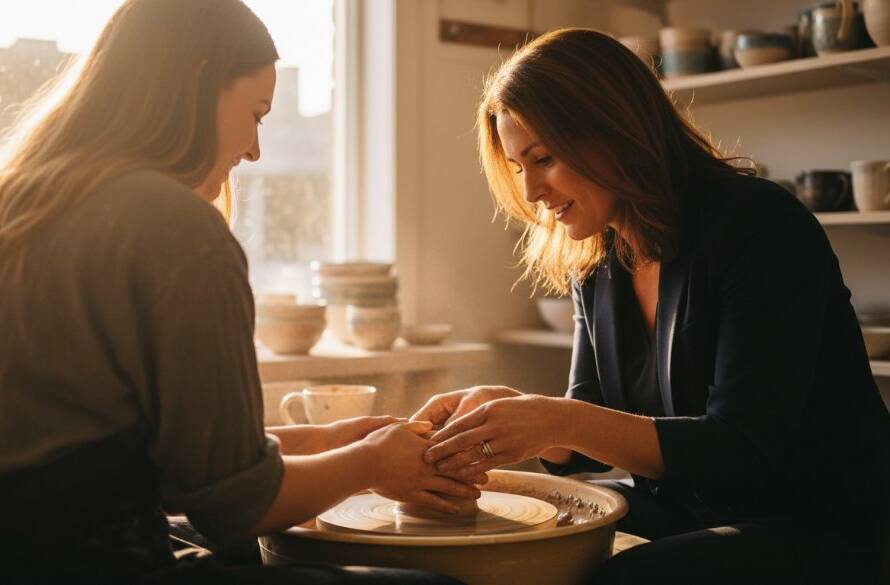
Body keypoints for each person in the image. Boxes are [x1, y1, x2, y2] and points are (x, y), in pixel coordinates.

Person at [0, 1, 470, 583]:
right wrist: (371, 464)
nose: (254, 150)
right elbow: (234, 508)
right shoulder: (176, 228)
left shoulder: (24, 198)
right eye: (256, 113)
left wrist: (326, 441)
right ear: (197, 80)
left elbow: (138, 460)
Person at [412, 28, 890, 584]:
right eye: (520, 168)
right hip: (695, 511)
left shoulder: (759, 225)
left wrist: (553, 420)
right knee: (511, 538)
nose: (532, 191)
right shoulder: (598, 256)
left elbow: (744, 449)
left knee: (620, 576)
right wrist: (512, 414)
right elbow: (587, 429)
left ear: (613, 129)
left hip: (819, 522)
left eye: (542, 158)